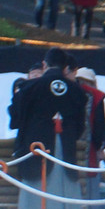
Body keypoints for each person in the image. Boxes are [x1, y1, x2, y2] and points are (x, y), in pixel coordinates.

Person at [8, 48, 87, 181]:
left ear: (44, 64)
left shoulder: (29, 87)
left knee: (35, 191)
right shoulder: (78, 91)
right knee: (65, 191)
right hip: (66, 152)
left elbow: (16, 120)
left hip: (36, 151)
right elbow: (80, 127)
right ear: (65, 68)